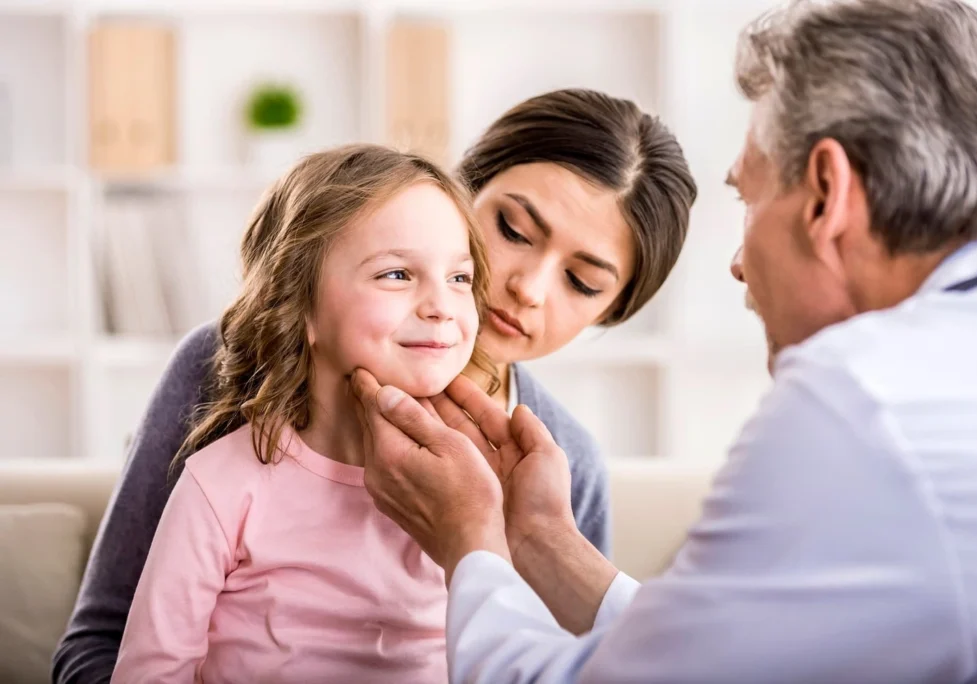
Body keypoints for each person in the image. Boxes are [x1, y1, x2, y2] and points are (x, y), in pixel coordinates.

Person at [349, 1, 977, 682]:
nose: (737, 261)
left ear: (826, 196)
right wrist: (537, 539)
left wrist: (472, 542)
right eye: (516, 230)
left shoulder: (860, 398)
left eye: (749, 199)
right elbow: (740, 658)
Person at [53, 89, 697, 683]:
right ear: (459, 192)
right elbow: (99, 647)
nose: (529, 286)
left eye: (582, 283)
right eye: (513, 230)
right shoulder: (228, 368)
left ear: (609, 312)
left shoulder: (560, 463)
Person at [109, 144, 500, 682]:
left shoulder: (477, 483)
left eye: (460, 278)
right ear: (300, 305)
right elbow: (150, 673)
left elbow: (516, 657)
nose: (442, 305)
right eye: (397, 274)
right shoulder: (223, 483)